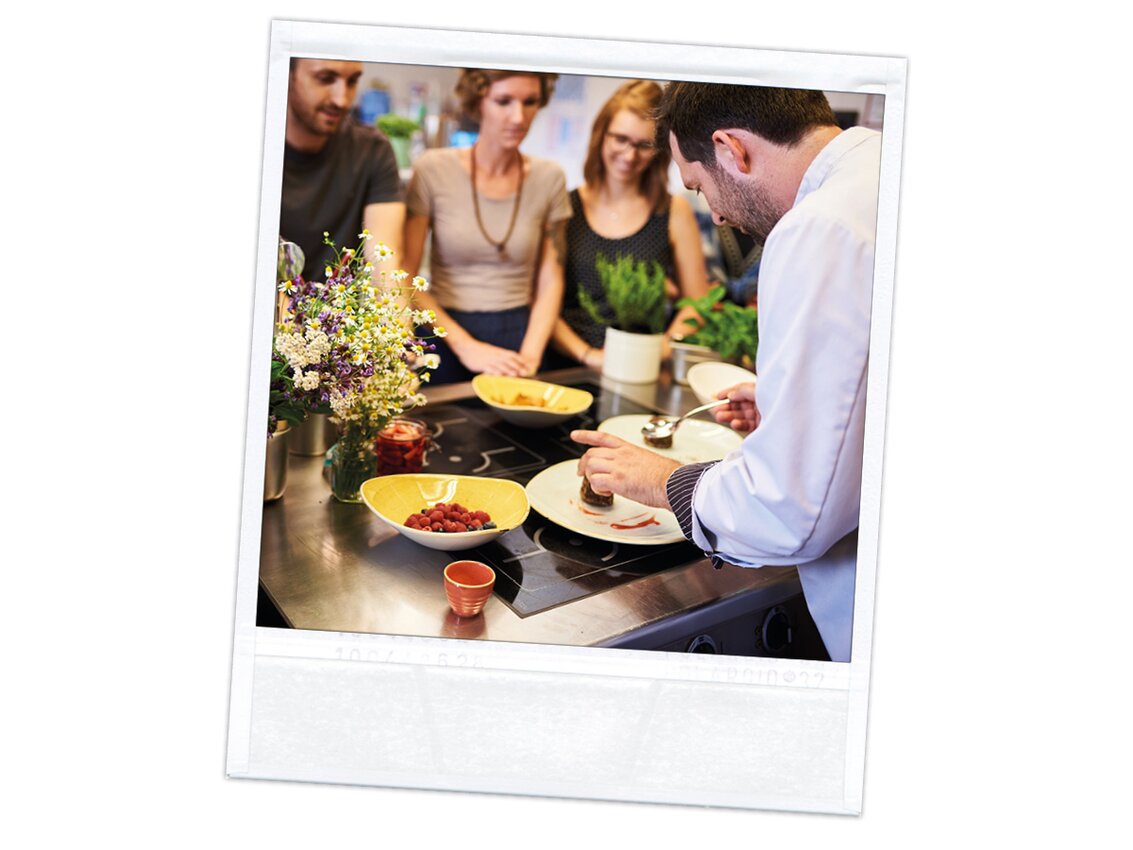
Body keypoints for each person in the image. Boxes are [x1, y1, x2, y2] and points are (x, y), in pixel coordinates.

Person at [572, 82, 881, 663]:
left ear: (730, 149)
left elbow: (785, 511)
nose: (714, 212)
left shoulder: (817, 229)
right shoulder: (879, 170)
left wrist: (660, 479)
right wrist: (789, 405)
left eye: (699, 185)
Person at [402, 69, 571, 385]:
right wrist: (465, 346)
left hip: (521, 334)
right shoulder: (433, 169)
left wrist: (531, 356)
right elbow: (405, 276)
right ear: (477, 101)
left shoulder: (550, 178)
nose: (518, 117)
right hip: (445, 334)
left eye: (530, 102)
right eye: (503, 101)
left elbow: (551, 280)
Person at [549, 81, 709, 370]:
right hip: (567, 367)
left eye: (643, 145)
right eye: (620, 139)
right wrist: (588, 355)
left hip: (640, 369)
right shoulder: (565, 207)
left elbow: (697, 303)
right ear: (601, 135)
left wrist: (662, 348)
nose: (629, 155)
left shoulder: (673, 211)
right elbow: (544, 299)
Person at [279, 58, 404, 277]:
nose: (342, 100)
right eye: (325, 79)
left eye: (352, 81)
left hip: (342, 299)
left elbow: (384, 266)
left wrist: (392, 297)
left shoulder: (373, 151)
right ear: (287, 76)